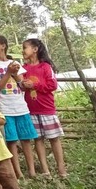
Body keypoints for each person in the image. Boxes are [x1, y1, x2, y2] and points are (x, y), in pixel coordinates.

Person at [0, 35, 37, 178]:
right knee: (12, 141)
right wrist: (8, 72)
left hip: (20, 106)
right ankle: (18, 173)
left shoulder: (15, 63)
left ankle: (32, 171)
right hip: (5, 107)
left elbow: (21, 84)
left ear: (3, 46)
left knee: (26, 139)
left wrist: (19, 78)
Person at [21, 38, 67, 177]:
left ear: (35, 49)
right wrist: (23, 85)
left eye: (25, 47)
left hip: (46, 109)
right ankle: (45, 169)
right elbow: (21, 85)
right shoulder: (24, 69)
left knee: (54, 139)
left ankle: (61, 168)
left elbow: (52, 85)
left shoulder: (46, 67)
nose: (22, 51)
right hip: (31, 110)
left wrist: (34, 85)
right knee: (38, 139)